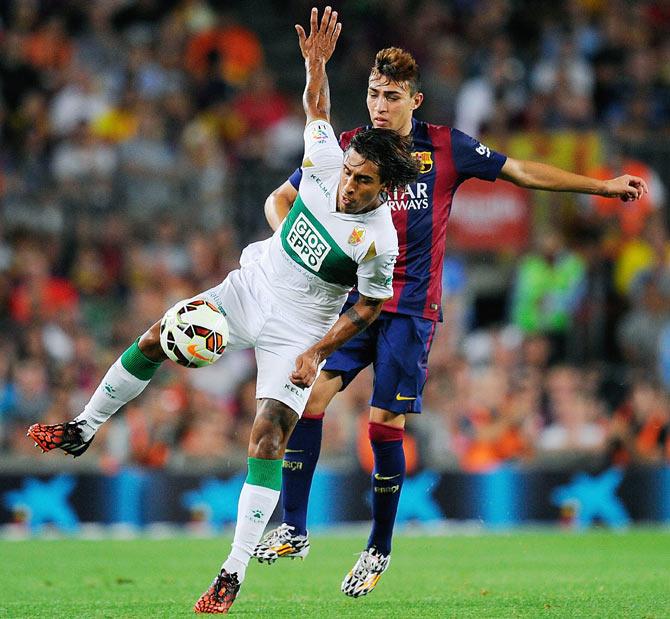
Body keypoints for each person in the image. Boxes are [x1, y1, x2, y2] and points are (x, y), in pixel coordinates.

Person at [27, 8, 420, 614]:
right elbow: (318, 109)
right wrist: (315, 63)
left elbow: (372, 305)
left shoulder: (380, 243)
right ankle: (83, 428)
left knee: (266, 438)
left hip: (299, 334)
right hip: (249, 289)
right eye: (350, 173)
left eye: (364, 183)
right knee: (158, 335)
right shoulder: (323, 162)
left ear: (383, 190)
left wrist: (316, 353)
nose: (348, 187)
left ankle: (231, 573)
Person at [254, 44, 649, 598]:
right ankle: (294, 528)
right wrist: (294, 243)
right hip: (358, 303)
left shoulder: (445, 147)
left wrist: (600, 186)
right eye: (372, 94)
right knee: (309, 397)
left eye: (391, 96)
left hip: (412, 309)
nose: (379, 106)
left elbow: (520, 172)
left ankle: (378, 548)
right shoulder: (350, 149)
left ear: (415, 99)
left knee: (384, 425)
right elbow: (283, 198)